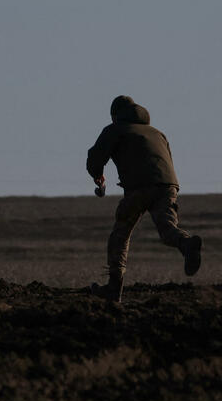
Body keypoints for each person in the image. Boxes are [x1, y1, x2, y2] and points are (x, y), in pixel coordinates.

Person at [86, 95, 202, 302]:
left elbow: (96, 157)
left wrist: (97, 174)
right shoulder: (158, 133)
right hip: (168, 185)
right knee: (167, 229)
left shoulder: (115, 129)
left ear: (115, 115)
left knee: (120, 233)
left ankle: (114, 288)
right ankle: (186, 244)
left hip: (140, 186)